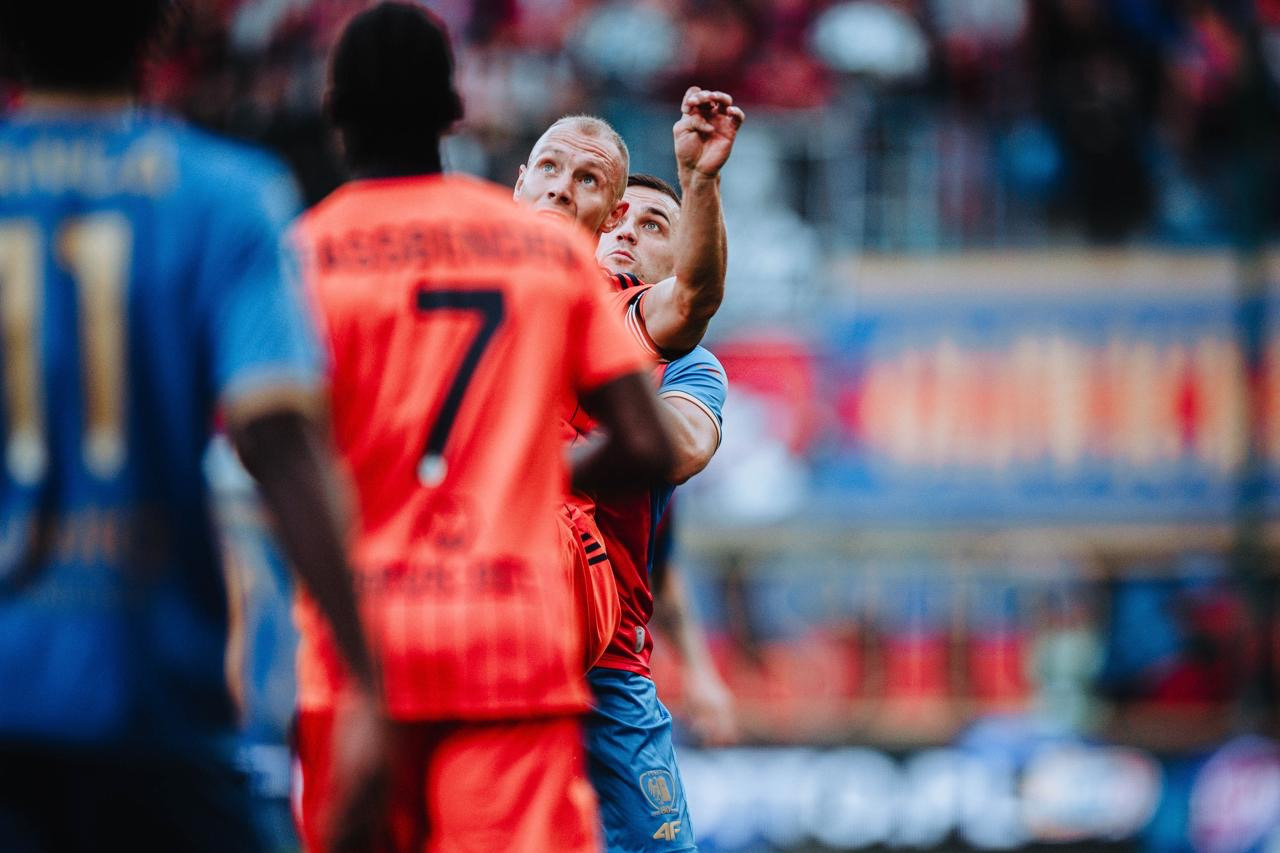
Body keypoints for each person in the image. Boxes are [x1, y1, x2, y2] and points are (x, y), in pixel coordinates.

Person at [290, 5, 675, 852]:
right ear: (455, 111)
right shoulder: (546, 253)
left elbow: (274, 453)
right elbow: (646, 444)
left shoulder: (304, 256)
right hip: (509, 635)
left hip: (359, 644)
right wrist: (518, 475)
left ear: (334, 108)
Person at [0, 3, 384, 851]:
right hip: (156, 705)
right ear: (156, 30)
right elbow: (277, 437)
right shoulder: (227, 194)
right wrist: (367, 675)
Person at [589, 173, 733, 851]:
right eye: (615, 217)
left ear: (681, 267)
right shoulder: (517, 325)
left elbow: (681, 450)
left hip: (610, 663)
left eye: (653, 225)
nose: (626, 230)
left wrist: (698, 670)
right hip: (502, 642)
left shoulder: (689, 367)